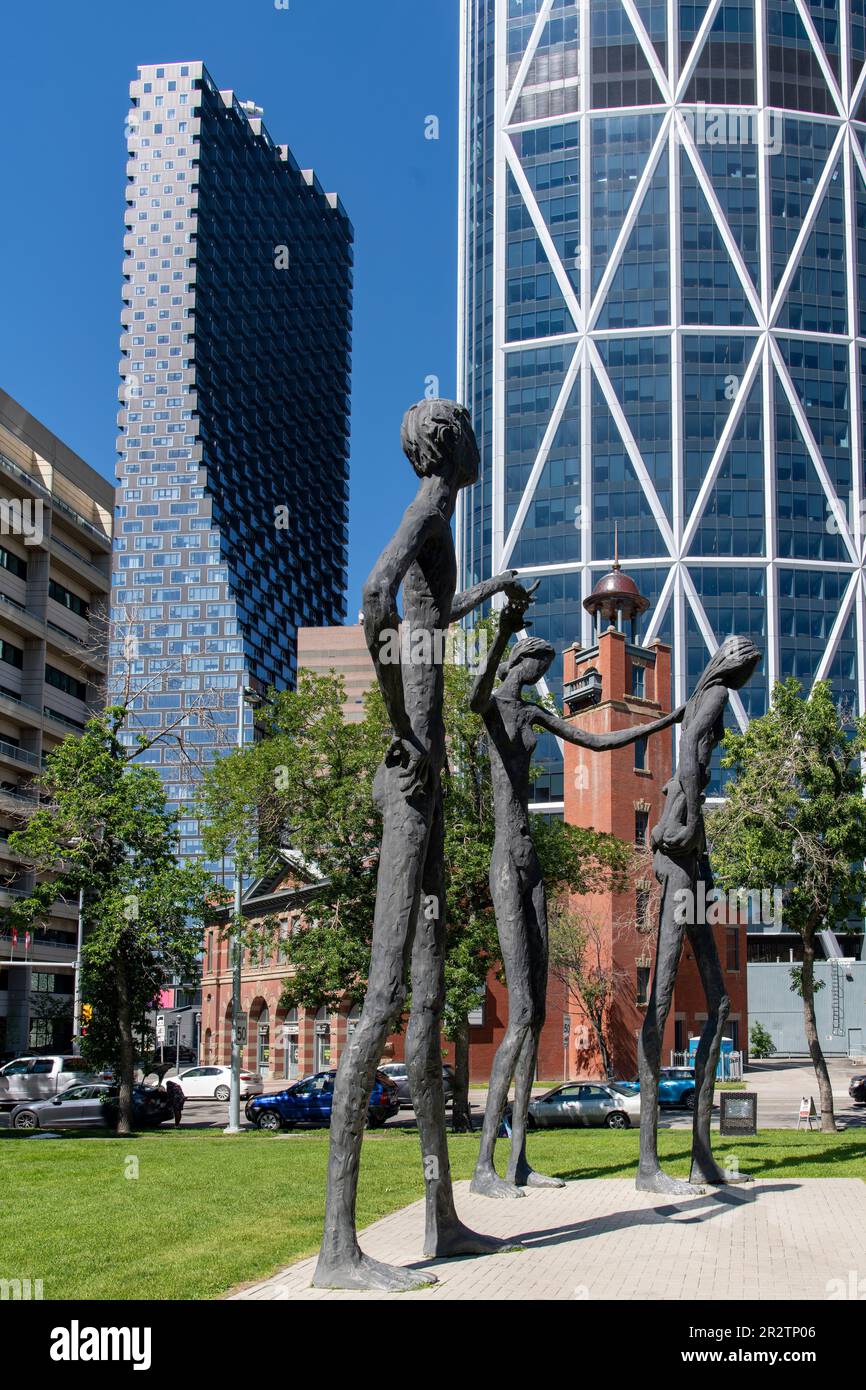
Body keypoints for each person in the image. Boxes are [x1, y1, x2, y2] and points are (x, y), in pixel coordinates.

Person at [314, 400, 536, 1292]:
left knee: (432, 1002)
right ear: (450, 445)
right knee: (380, 1000)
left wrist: (496, 601)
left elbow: (430, 617)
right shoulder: (426, 509)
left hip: (434, 788)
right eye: (473, 430)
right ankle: (338, 1247)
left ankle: (443, 1215)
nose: (483, 442)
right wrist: (404, 733)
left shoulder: (442, 524)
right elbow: (374, 595)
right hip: (413, 788)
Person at [469, 595, 685, 1197]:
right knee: (520, 1021)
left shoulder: (536, 713)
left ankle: (517, 1161)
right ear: (514, 666)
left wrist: (664, 721)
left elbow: (597, 745)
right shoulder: (492, 705)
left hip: (533, 859)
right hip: (504, 863)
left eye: (543, 670)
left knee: (536, 1011)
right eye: (531, 667)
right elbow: (473, 693)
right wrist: (503, 627)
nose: (538, 677)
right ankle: (485, 1167)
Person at [636, 634, 760, 1195]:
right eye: (746, 668)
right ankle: (648, 1165)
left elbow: (685, 777)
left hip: (693, 857)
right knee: (661, 1000)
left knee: (722, 1002)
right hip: (683, 861)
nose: (747, 677)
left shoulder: (703, 697)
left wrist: (684, 828)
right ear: (731, 664)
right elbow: (687, 772)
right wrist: (679, 829)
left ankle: (701, 1156)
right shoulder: (709, 702)